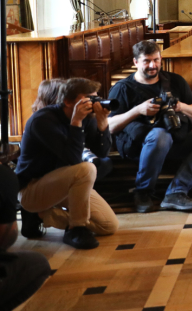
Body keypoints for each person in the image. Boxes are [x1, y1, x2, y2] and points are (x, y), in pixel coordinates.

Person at [109, 41, 192, 213]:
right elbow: (110, 126)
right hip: (138, 146)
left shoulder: (174, 81)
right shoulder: (123, 88)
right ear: (135, 62)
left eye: (156, 60)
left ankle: (177, 192)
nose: (153, 65)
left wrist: (180, 107)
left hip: (172, 138)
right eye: (146, 61)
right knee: (161, 135)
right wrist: (138, 110)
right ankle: (142, 192)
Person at [15, 78, 119, 248]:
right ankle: (76, 228)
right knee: (86, 169)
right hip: (32, 189)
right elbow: (72, 158)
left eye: (95, 98)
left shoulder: (87, 117)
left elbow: (102, 153)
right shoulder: (43, 120)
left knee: (108, 226)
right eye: (88, 99)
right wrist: (76, 122)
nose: (93, 103)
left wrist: (102, 122)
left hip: (65, 184)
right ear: (68, 101)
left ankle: (43, 215)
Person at [0, 163, 51, 311]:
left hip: (58, 184)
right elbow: (6, 233)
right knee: (37, 264)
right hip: (34, 191)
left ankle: (45, 216)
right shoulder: (4, 176)